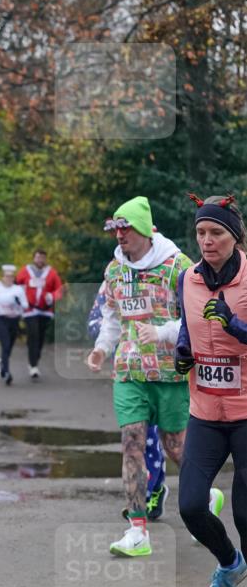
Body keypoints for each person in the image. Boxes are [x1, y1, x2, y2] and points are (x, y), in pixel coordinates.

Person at [86, 196, 196, 557]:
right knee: (131, 443)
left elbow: (196, 318)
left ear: (146, 230)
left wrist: (163, 332)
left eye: (126, 228)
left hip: (169, 373)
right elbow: (113, 317)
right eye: (116, 229)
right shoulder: (115, 271)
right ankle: (137, 530)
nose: (120, 236)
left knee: (176, 448)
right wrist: (102, 347)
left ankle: (205, 497)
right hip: (129, 372)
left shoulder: (177, 266)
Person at [175, 193, 247, 587]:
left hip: (245, 414)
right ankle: (229, 565)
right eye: (201, 232)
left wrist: (236, 326)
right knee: (190, 506)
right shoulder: (189, 278)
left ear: (234, 237)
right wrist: (183, 350)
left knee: (245, 515)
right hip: (204, 411)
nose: (206, 240)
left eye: (216, 232)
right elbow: (187, 324)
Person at [87, 282, 168, 520]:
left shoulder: (162, 276)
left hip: (162, 373)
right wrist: (110, 341)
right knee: (137, 439)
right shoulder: (115, 280)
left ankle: (157, 489)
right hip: (128, 375)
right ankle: (144, 499)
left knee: (159, 438)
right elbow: (96, 322)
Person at [16, 249, 64, 380]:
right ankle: (33, 365)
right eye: (38, 257)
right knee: (33, 334)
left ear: (45, 259)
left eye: (42, 258)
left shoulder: (52, 273)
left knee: (41, 337)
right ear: (33, 258)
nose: (40, 260)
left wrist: (52, 296)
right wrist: (18, 299)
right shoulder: (26, 271)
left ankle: (35, 360)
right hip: (30, 310)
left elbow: (59, 290)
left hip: (45, 310)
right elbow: (16, 284)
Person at [0, 264, 24, 385]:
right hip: (1, 320)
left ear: (14, 278)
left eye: (11, 277)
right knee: (6, 344)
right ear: (3, 277)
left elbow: (25, 305)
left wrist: (19, 302)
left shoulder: (18, 290)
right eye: (6, 277)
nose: (9, 279)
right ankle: (6, 372)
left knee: (9, 346)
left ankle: (2, 363)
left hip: (14, 321)